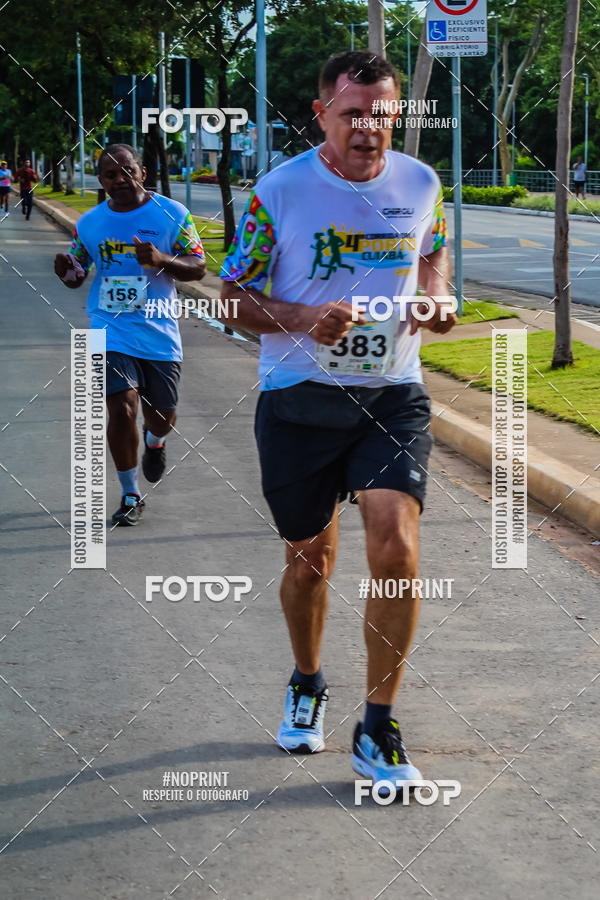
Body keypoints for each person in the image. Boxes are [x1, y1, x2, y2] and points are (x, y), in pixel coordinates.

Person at [220, 51, 456, 791]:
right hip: (299, 399)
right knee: (309, 560)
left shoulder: (421, 184)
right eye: (352, 113)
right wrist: (299, 317)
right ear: (322, 113)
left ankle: (378, 726)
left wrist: (438, 300)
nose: (368, 129)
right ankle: (307, 678)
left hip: (391, 395)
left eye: (381, 114)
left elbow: (434, 257)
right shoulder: (278, 192)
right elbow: (231, 299)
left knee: (395, 546)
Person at [54, 143, 206, 525]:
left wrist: (161, 260)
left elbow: (198, 266)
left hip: (158, 328)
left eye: (126, 170)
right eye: (110, 174)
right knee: (121, 408)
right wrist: (67, 271)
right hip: (109, 326)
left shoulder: (172, 214)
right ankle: (130, 493)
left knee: (161, 416)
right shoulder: (89, 223)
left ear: (142, 172)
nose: (119, 179)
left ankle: (155, 442)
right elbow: (77, 274)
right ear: (101, 180)